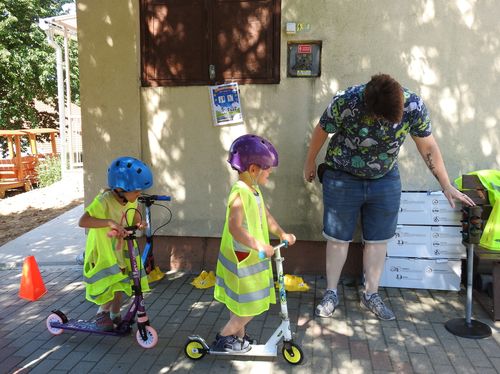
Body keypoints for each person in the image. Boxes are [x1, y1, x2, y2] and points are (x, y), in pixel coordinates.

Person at [303, 74, 475, 320]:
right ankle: (331, 293)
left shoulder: (413, 106)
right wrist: (309, 162)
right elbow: (322, 129)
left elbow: (428, 146)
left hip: (385, 179)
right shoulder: (347, 100)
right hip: (342, 176)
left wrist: (446, 184)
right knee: (337, 238)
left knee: (378, 240)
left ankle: (371, 293)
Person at [212, 134, 297, 352]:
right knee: (250, 305)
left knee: (240, 302)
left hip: (249, 258)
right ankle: (224, 337)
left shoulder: (254, 190)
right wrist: (259, 245)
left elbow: (265, 215)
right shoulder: (240, 193)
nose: (269, 172)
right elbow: (235, 227)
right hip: (243, 259)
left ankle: (239, 338)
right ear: (252, 169)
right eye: (267, 168)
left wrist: (281, 233)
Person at [79, 156, 152, 331]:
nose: (139, 194)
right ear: (121, 188)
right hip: (103, 251)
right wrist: (109, 222)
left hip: (120, 250)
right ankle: (101, 314)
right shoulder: (103, 200)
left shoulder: (129, 200)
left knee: (122, 283)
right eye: (136, 191)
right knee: (108, 284)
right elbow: (84, 221)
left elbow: (134, 216)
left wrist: (140, 223)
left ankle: (115, 315)